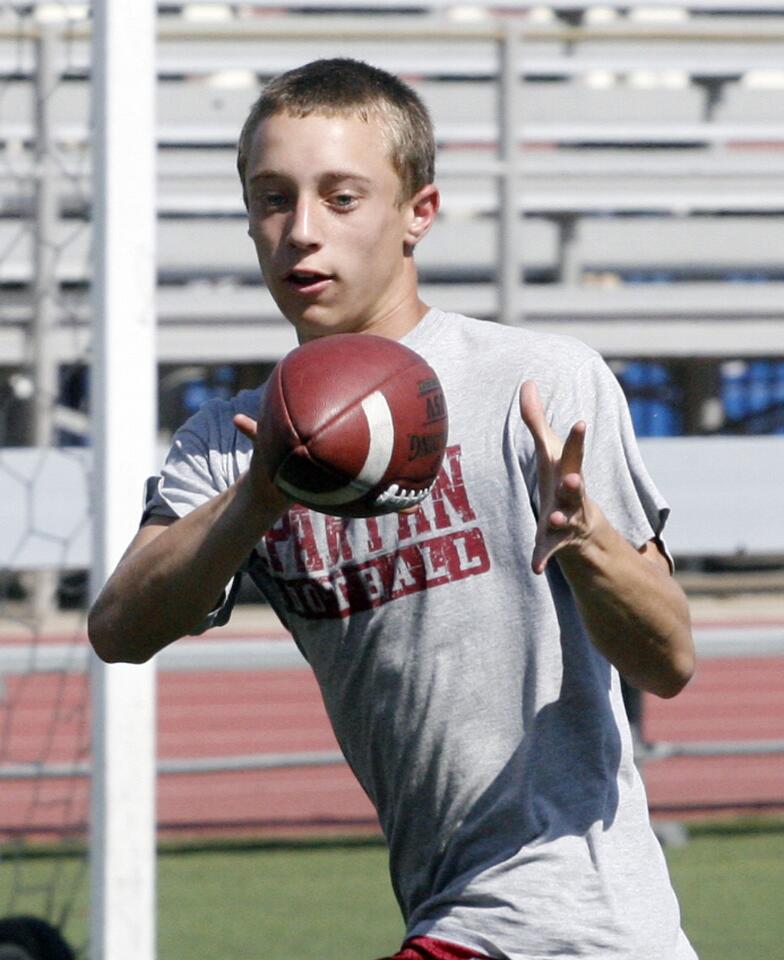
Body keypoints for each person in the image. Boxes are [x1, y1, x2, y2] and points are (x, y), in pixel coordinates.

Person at [88, 58, 698, 959]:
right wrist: (258, 496)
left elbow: (670, 660)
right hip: (443, 904)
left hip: (573, 921)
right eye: (271, 198)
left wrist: (586, 541)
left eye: (342, 198)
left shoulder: (538, 384)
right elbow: (119, 627)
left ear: (419, 212)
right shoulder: (232, 440)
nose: (300, 232)